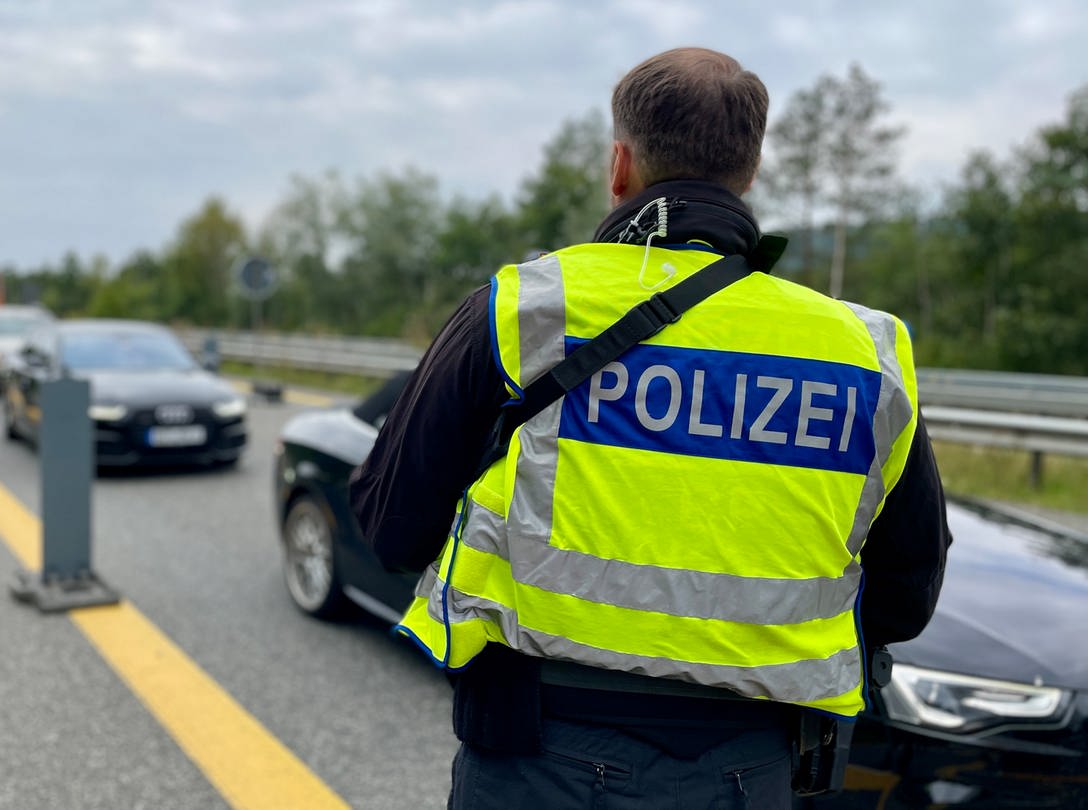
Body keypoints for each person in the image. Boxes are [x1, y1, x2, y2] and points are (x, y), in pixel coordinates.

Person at [349, 47, 950, 809]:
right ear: (751, 170)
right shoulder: (867, 351)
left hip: (540, 756)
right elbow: (907, 595)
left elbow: (392, 530)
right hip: (751, 767)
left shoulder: (524, 310)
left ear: (620, 165)